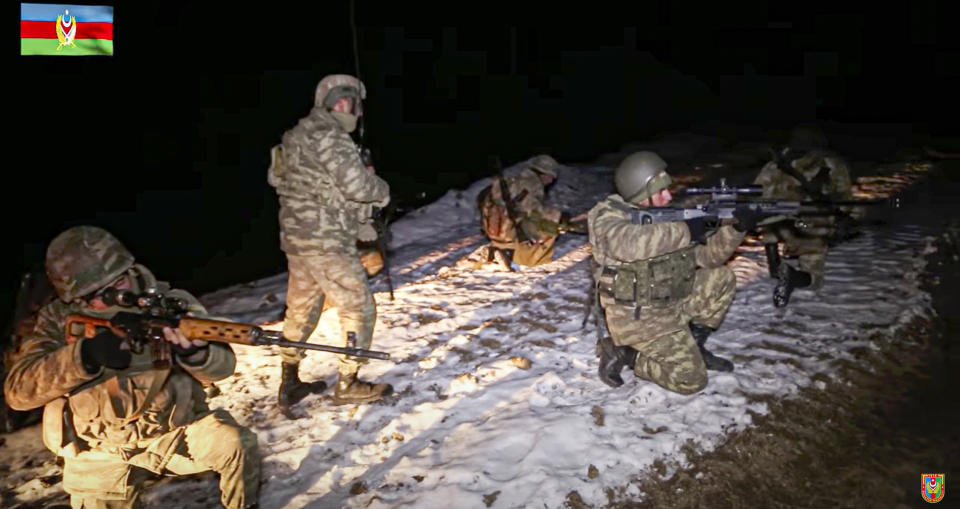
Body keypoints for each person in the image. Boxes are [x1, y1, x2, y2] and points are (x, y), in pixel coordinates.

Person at [3, 226, 259, 509]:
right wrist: (85, 356)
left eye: (118, 285)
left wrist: (196, 352)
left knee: (235, 444)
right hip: (99, 451)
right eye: (95, 295)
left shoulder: (170, 305)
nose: (110, 299)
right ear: (76, 298)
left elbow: (223, 368)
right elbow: (18, 393)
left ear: (130, 271)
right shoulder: (57, 321)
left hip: (173, 435)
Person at [268, 74, 392, 413]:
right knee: (358, 307)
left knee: (301, 309)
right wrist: (380, 189)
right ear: (327, 104)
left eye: (349, 103)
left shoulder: (295, 137)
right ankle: (349, 383)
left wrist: (358, 221)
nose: (345, 108)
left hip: (298, 240)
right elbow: (357, 187)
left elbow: (312, 187)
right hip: (325, 241)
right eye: (340, 102)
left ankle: (289, 380)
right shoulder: (331, 136)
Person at [587, 151, 760, 394]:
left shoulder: (665, 216)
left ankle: (695, 345)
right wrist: (687, 230)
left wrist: (736, 228)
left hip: (669, 300)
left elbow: (708, 257)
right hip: (638, 319)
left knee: (722, 276)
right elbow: (627, 244)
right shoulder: (608, 217)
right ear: (640, 192)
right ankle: (625, 354)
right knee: (690, 380)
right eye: (660, 192)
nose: (669, 196)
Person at [753, 125, 855, 307]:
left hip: (775, 224)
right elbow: (845, 199)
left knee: (773, 218)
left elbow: (758, 193)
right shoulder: (831, 163)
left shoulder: (776, 163)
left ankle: (775, 263)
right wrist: (842, 218)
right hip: (807, 225)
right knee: (815, 280)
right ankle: (793, 276)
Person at [477, 154, 583, 268]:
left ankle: (504, 251)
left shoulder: (516, 181)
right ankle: (530, 258)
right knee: (549, 225)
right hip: (511, 233)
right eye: (551, 176)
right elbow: (533, 211)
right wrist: (558, 218)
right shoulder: (533, 184)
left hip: (498, 234)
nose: (551, 180)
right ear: (544, 174)